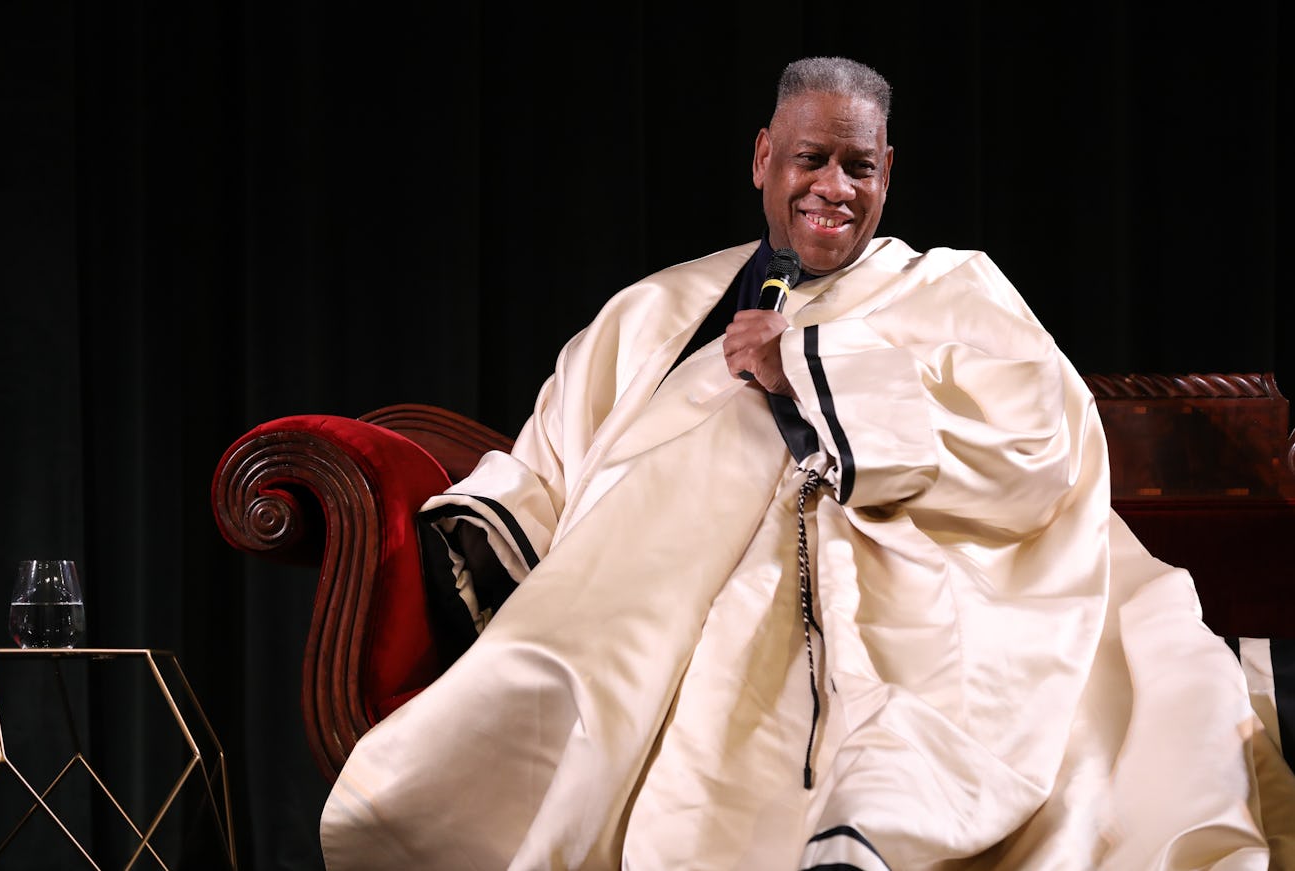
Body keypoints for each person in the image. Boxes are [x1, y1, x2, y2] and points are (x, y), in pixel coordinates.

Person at [319, 57, 1292, 869]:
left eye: (857, 167)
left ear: (888, 171)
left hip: (928, 563)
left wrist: (810, 369)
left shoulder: (951, 285)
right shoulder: (657, 308)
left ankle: (873, 823)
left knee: (1126, 685)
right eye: (811, 159)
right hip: (691, 587)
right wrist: (492, 534)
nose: (833, 187)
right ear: (762, 158)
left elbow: (1040, 429)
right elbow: (560, 457)